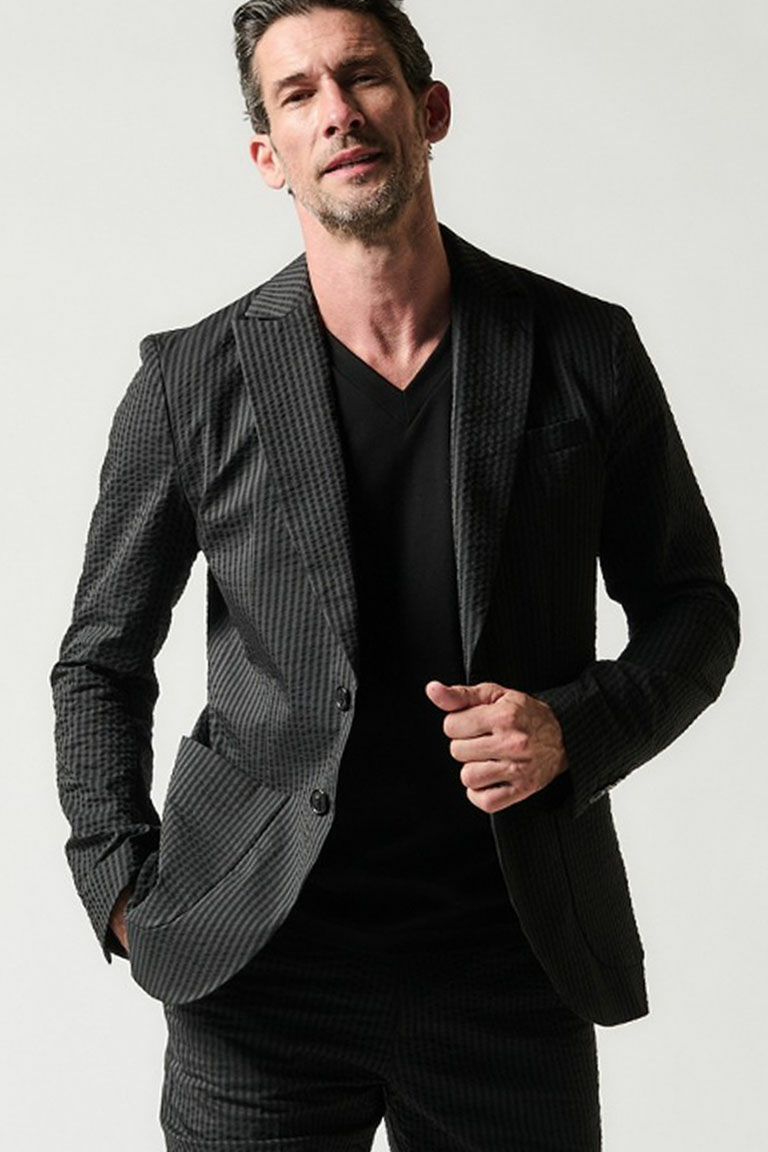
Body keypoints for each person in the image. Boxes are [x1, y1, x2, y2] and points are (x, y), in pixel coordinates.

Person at [51, 1, 739, 1148]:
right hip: (258, 972)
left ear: (430, 110)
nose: (337, 112)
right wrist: (117, 882)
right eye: (298, 94)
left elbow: (693, 610)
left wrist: (576, 730)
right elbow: (99, 660)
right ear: (269, 155)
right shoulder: (190, 381)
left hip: (508, 965)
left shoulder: (585, 348)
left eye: (363, 76)